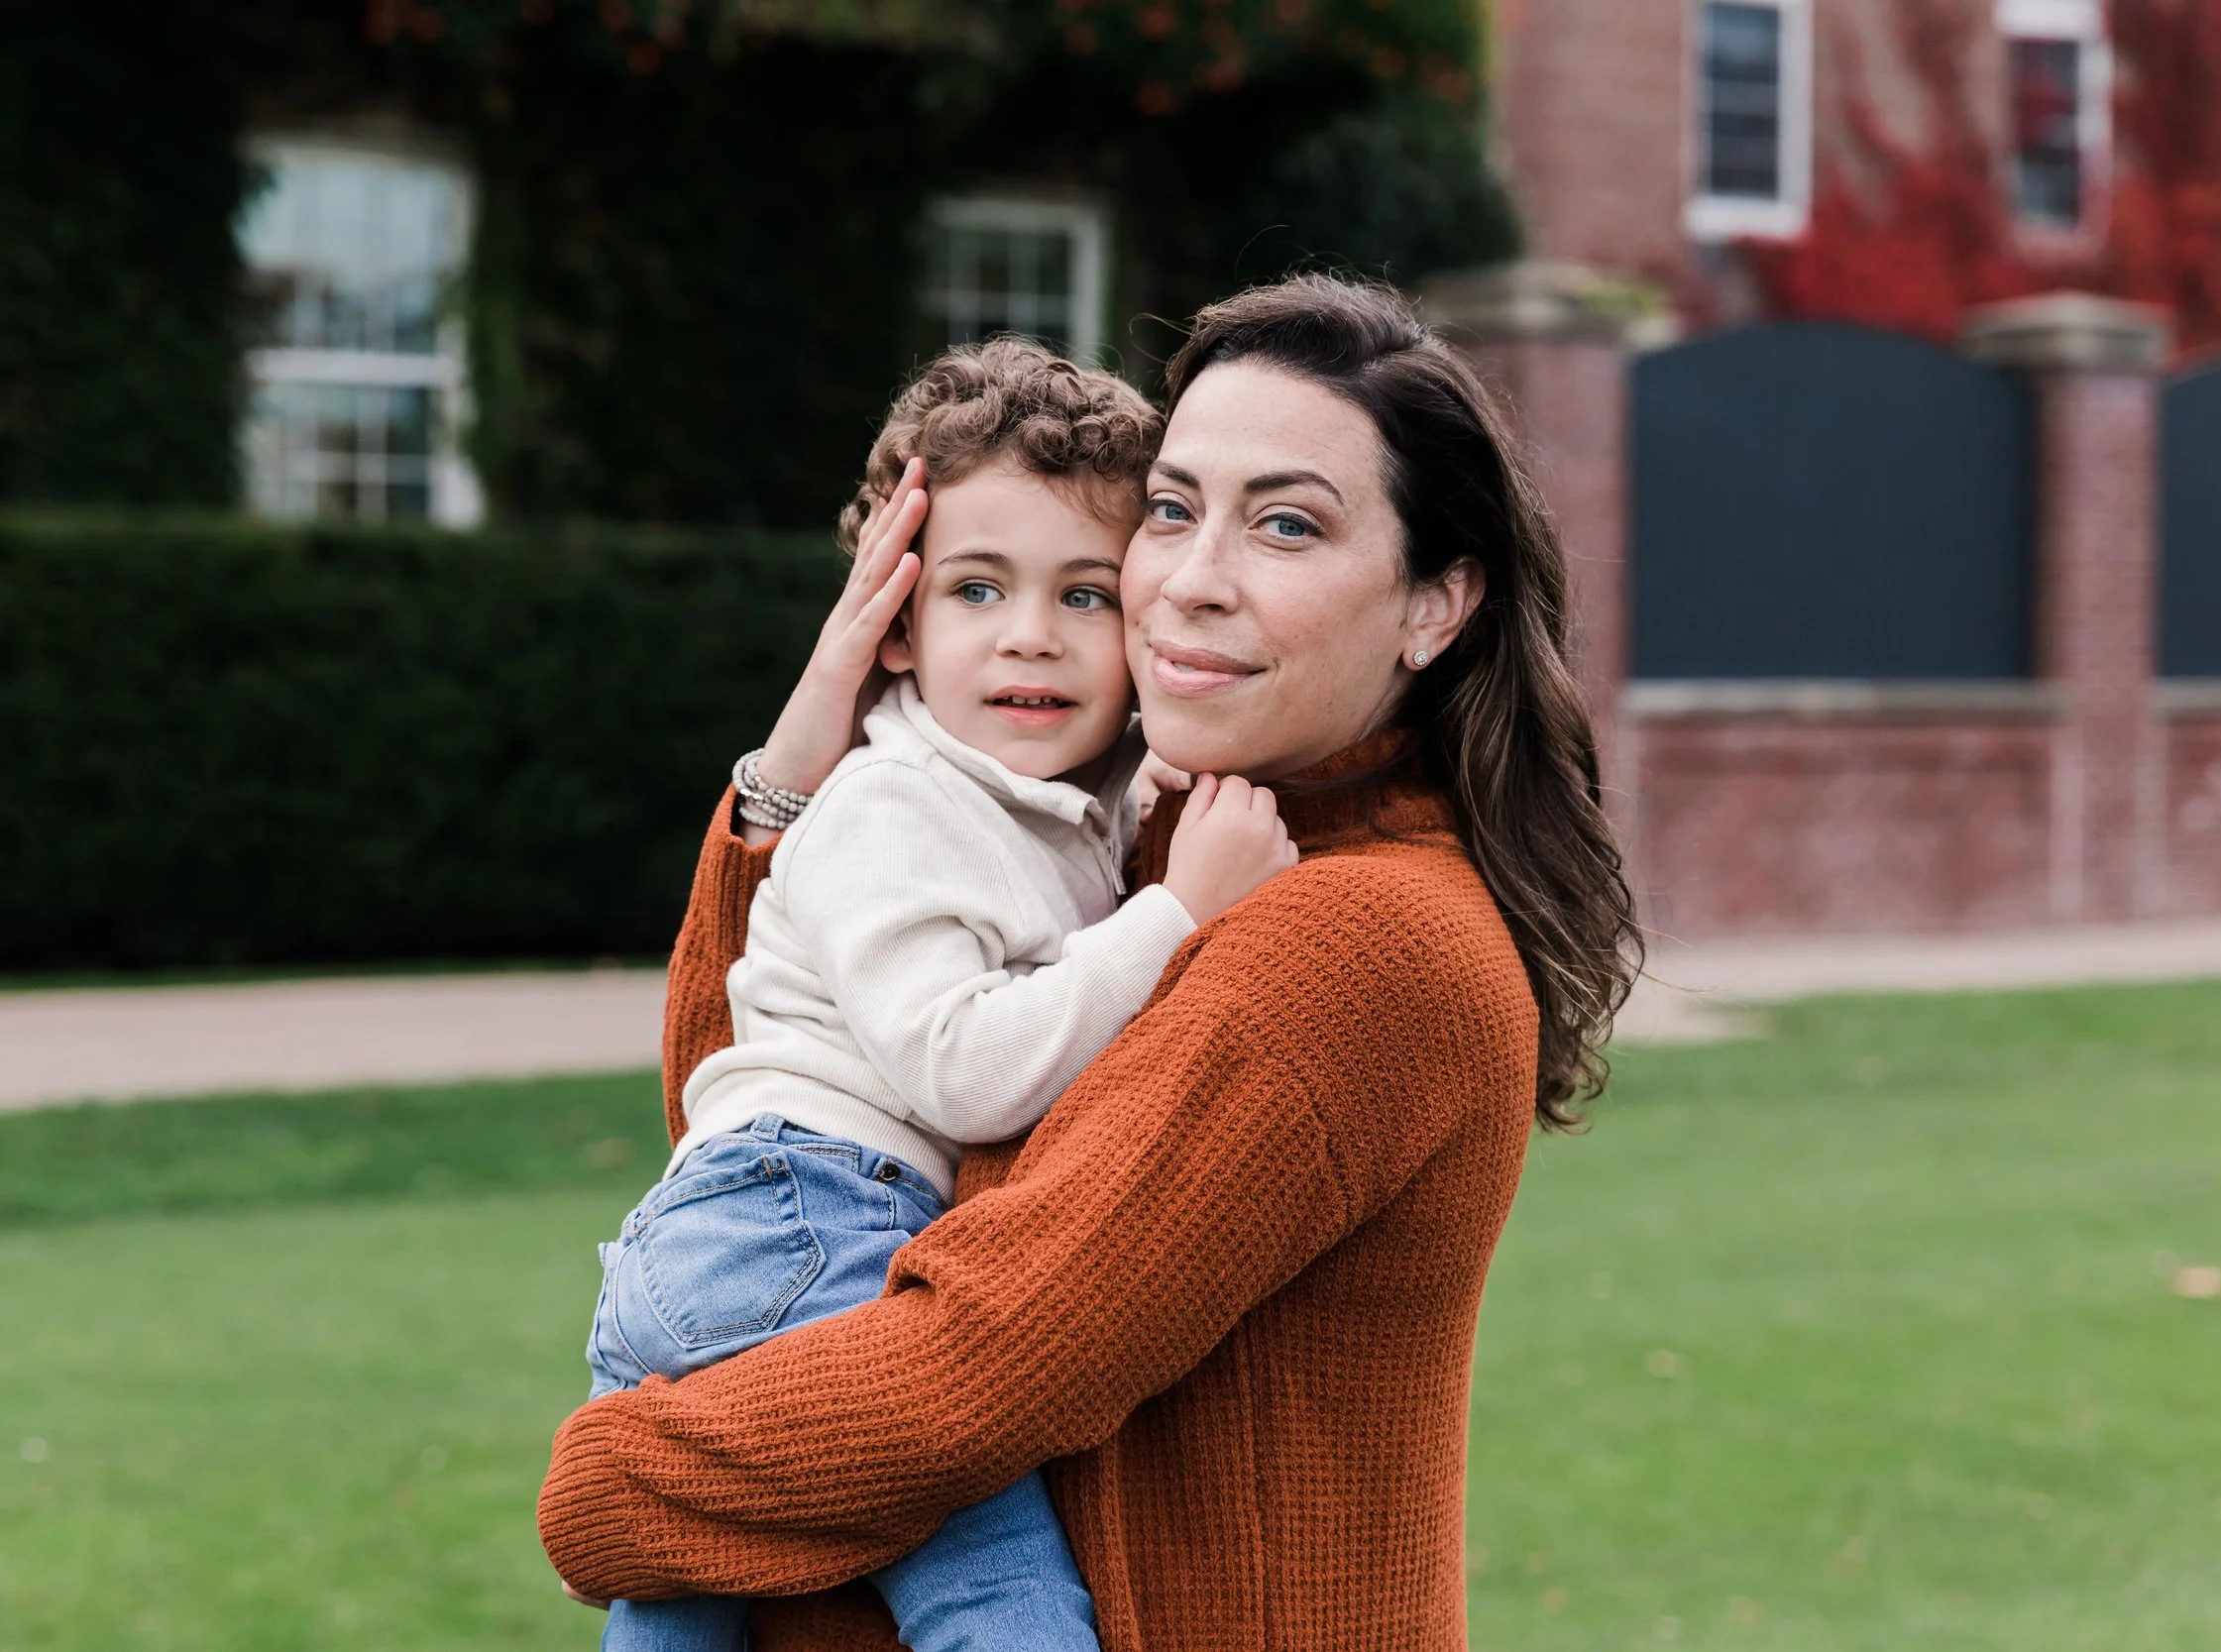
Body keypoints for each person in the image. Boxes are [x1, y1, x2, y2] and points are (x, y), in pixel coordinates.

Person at [539, 275, 1643, 1649]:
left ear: (1434, 603)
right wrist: (792, 779)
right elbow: (749, 1116)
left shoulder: (1348, 939)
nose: (1191, 576)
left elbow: (977, 1370)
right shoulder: (1161, 840)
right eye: (1173, 510)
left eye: (1287, 524)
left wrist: (608, 1486)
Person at [576, 340, 1297, 1652]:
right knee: (1001, 1605)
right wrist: (1180, 910)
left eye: (1086, 595)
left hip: (731, 1238)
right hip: (808, 1220)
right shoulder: (892, 807)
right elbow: (962, 1071)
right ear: (896, 624)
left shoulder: (1041, 795)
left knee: (679, 1612)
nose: (1033, 631)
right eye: (979, 587)